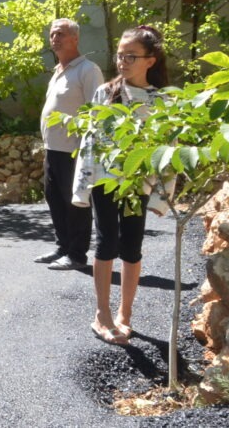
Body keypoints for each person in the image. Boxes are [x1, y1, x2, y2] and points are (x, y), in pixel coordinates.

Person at [73, 24, 170, 346]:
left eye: (131, 56)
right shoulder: (106, 93)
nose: (123, 61)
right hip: (106, 182)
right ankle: (102, 314)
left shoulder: (162, 101)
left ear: (150, 60)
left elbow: (167, 152)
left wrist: (161, 198)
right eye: (120, 55)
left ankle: (125, 314)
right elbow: (91, 142)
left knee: (131, 247)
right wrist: (81, 188)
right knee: (106, 243)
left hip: (137, 185)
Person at [36, 19, 103, 271]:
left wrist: (90, 147)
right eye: (52, 34)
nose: (55, 38)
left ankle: (76, 254)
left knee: (75, 202)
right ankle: (62, 247)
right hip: (53, 149)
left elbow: (97, 110)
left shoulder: (88, 70)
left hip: (75, 150)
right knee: (54, 198)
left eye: (61, 34)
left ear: (75, 38)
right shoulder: (58, 71)